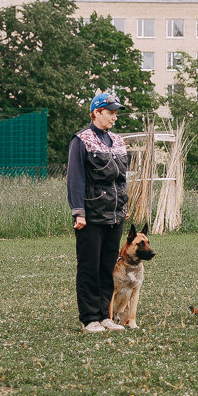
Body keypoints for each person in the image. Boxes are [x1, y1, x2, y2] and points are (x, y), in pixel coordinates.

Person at [68, 92, 131, 333]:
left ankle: (105, 315)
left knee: (107, 267)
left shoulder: (118, 141)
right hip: (91, 215)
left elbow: (122, 179)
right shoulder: (81, 140)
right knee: (89, 267)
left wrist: (123, 205)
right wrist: (79, 212)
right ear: (96, 113)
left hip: (115, 216)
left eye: (116, 113)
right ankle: (89, 318)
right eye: (110, 113)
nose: (114, 117)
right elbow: (75, 179)